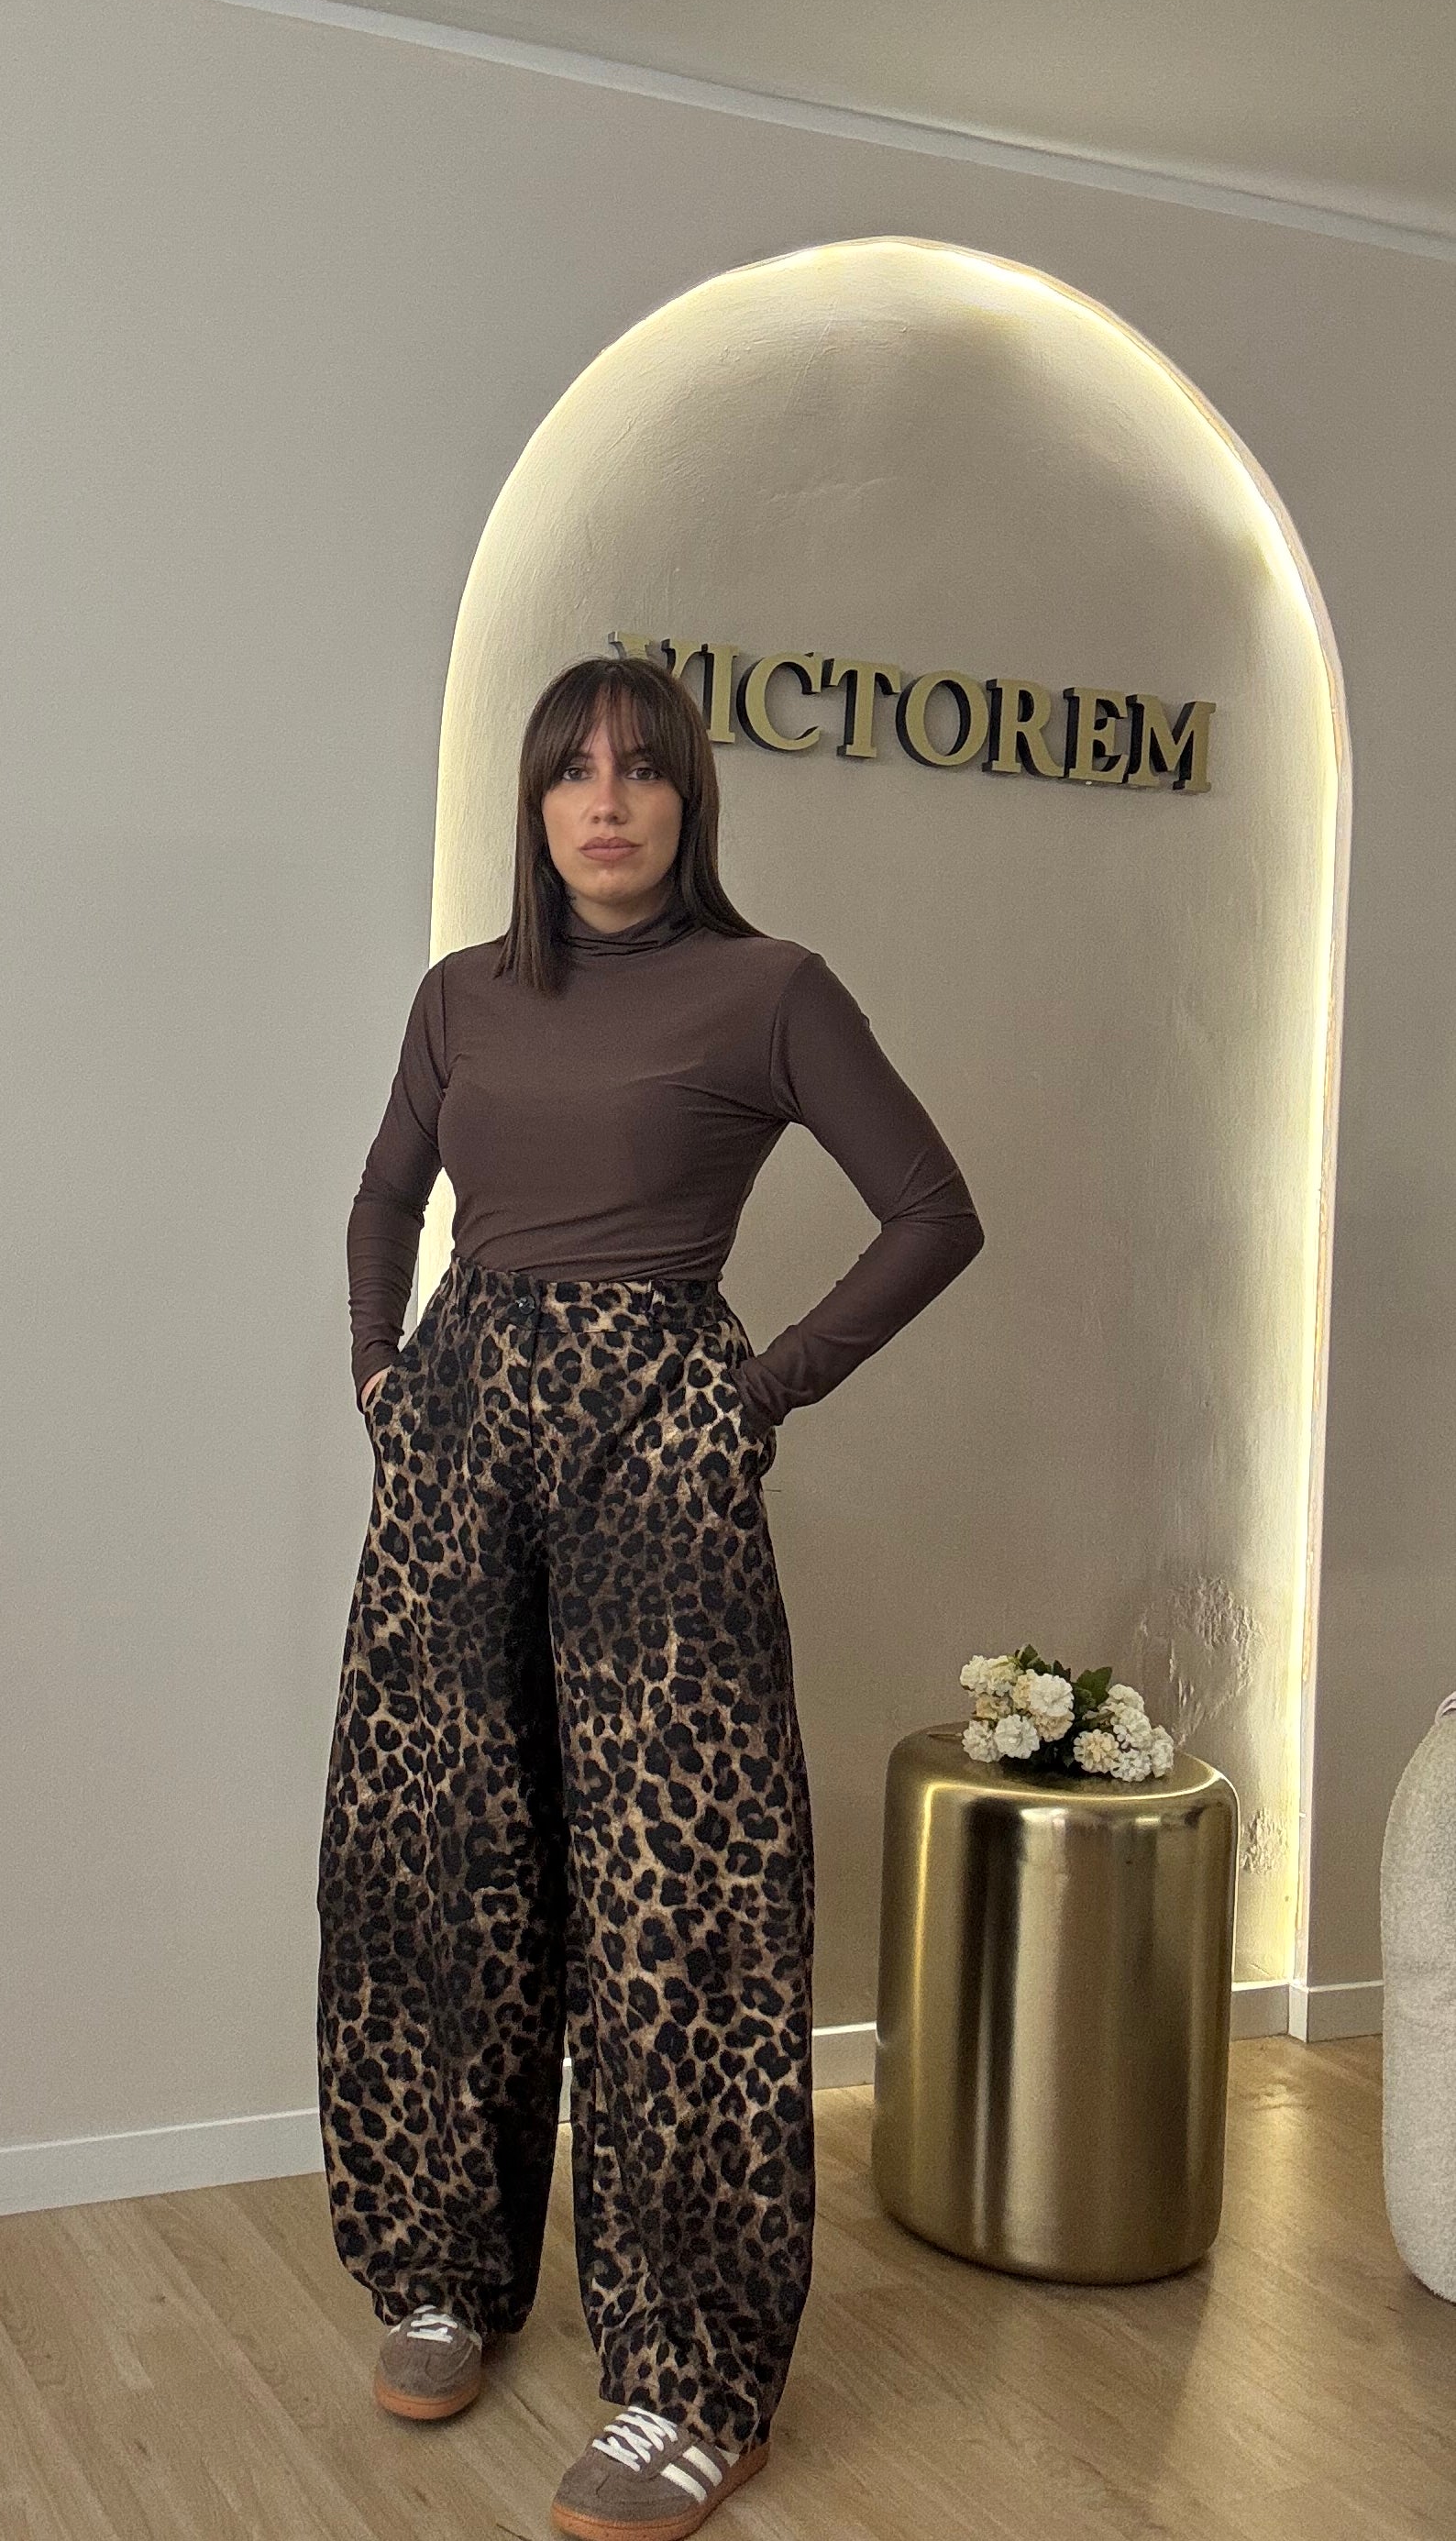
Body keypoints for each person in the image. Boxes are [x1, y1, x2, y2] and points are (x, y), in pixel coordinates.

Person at [317, 651, 985, 2539]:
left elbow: (934, 1210)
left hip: (656, 1453)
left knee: (680, 1903)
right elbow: (383, 1196)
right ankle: (443, 2268)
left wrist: (751, 1398)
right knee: (439, 1858)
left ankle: (697, 2379)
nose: (604, 801)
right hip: (458, 1446)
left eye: (639, 769)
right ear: (534, 806)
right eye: (570, 772)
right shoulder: (463, 996)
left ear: (691, 797)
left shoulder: (770, 990)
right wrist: (383, 1376)